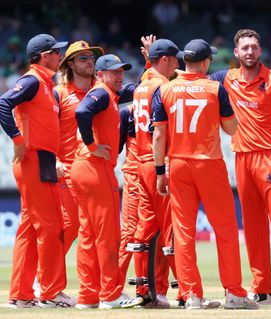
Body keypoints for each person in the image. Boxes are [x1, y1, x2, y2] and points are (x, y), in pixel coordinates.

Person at [152, 39, 258, 310]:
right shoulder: (215, 88)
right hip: (208, 163)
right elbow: (232, 129)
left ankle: (191, 297)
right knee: (224, 230)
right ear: (206, 62)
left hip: (177, 164)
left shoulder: (165, 89)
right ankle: (234, 293)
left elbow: (159, 135)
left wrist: (160, 171)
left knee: (184, 233)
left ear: (184, 61)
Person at [210, 28, 271, 305]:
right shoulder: (224, 78)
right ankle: (262, 290)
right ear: (236, 53)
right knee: (252, 227)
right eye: (244, 48)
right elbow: (192, 75)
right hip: (242, 158)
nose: (249, 51)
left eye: (253, 47)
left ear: (260, 51)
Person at [0, 33, 75, 308]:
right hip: (34, 159)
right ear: (45, 56)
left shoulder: (44, 84)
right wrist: (18, 141)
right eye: (56, 52)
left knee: (30, 229)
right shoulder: (32, 81)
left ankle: (21, 294)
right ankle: (52, 293)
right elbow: (3, 104)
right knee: (52, 226)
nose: (60, 56)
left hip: (42, 159)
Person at [121, 38, 183, 309]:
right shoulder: (164, 87)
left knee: (144, 228)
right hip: (161, 163)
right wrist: (164, 167)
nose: (179, 63)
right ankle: (185, 292)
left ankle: (143, 290)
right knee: (172, 229)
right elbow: (161, 131)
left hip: (141, 162)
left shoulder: (142, 85)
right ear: (166, 60)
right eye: (175, 59)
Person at [71, 54, 136, 309]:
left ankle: (88, 296)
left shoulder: (108, 94)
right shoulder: (101, 94)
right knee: (108, 235)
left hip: (83, 168)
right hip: (95, 168)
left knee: (87, 235)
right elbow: (81, 111)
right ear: (100, 74)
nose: (119, 76)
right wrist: (93, 146)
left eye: (121, 71)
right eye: (113, 72)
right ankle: (110, 294)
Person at [54, 40, 104, 254]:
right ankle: (43, 279)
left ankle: (99, 287)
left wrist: (150, 63)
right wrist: (54, 160)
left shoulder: (102, 90)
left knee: (96, 230)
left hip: (96, 169)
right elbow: (49, 130)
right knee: (70, 226)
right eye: (83, 58)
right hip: (67, 170)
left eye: (92, 58)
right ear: (71, 64)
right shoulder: (59, 93)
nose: (90, 61)